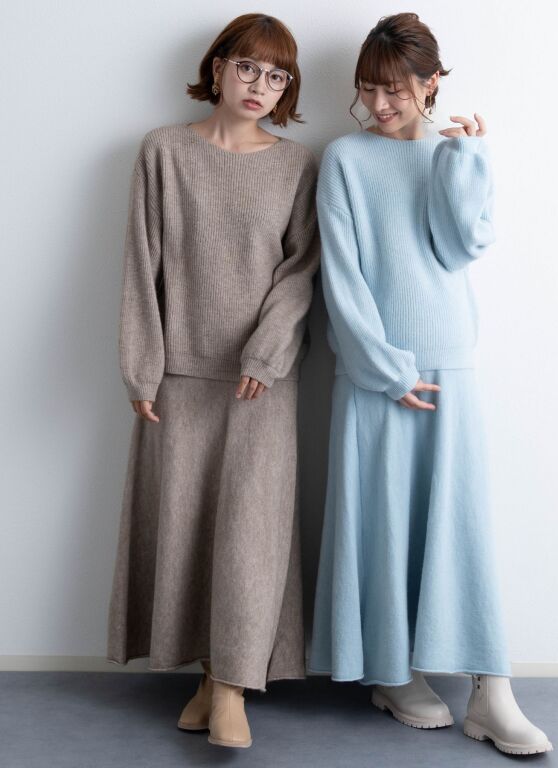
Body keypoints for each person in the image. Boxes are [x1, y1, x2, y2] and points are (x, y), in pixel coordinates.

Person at [307, 12, 553, 756]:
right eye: (368, 89)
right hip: (376, 370)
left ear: (431, 82)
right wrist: (387, 371)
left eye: (395, 89)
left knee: (461, 526)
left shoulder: (451, 153)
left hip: (451, 360)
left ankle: (491, 692)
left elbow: (460, 247)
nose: (380, 104)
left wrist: (466, 163)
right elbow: (341, 278)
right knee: (382, 523)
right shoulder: (344, 158)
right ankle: (394, 673)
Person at [106, 13, 320, 750]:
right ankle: (207, 679)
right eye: (249, 68)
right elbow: (142, 263)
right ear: (219, 67)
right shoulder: (163, 151)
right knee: (187, 534)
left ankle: (231, 688)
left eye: (278, 76)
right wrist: (142, 366)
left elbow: (301, 271)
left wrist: (266, 353)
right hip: (181, 378)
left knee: (250, 540)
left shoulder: (297, 165)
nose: (261, 85)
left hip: (260, 383)